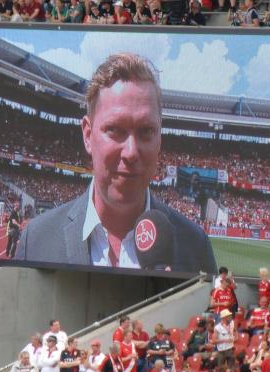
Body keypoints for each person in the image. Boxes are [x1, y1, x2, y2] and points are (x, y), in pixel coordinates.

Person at [15, 53, 216, 274]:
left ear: (160, 138)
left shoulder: (196, 247)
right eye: (114, 130)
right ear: (88, 135)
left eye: (146, 131)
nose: (131, 152)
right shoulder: (36, 240)